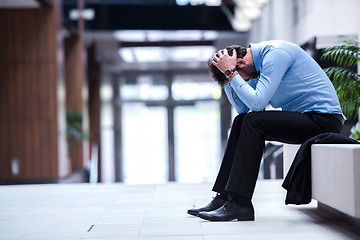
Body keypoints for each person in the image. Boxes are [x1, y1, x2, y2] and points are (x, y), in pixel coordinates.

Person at [187, 40, 344, 221]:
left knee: (253, 122)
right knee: (241, 122)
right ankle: (224, 197)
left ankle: (240, 203)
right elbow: (243, 109)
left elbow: (257, 104)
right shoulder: (256, 66)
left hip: (323, 120)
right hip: (306, 119)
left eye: (241, 77)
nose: (243, 81)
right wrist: (229, 78)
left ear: (240, 63)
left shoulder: (276, 55)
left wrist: (231, 74)